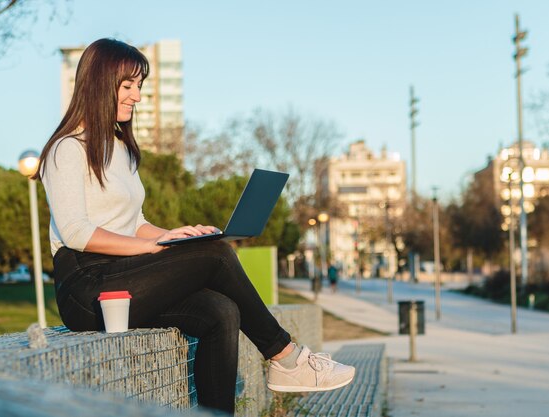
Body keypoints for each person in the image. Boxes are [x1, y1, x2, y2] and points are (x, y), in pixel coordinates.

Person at [35, 38, 355, 414]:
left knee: (222, 311)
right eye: (128, 86)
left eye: (140, 86)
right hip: (86, 291)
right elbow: (76, 232)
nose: (137, 96)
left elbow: (134, 223)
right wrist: (154, 250)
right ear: (100, 83)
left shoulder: (120, 149)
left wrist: (170, 237)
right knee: (216, 253)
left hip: (127, 278)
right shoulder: (66, 149)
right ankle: (287, 357)